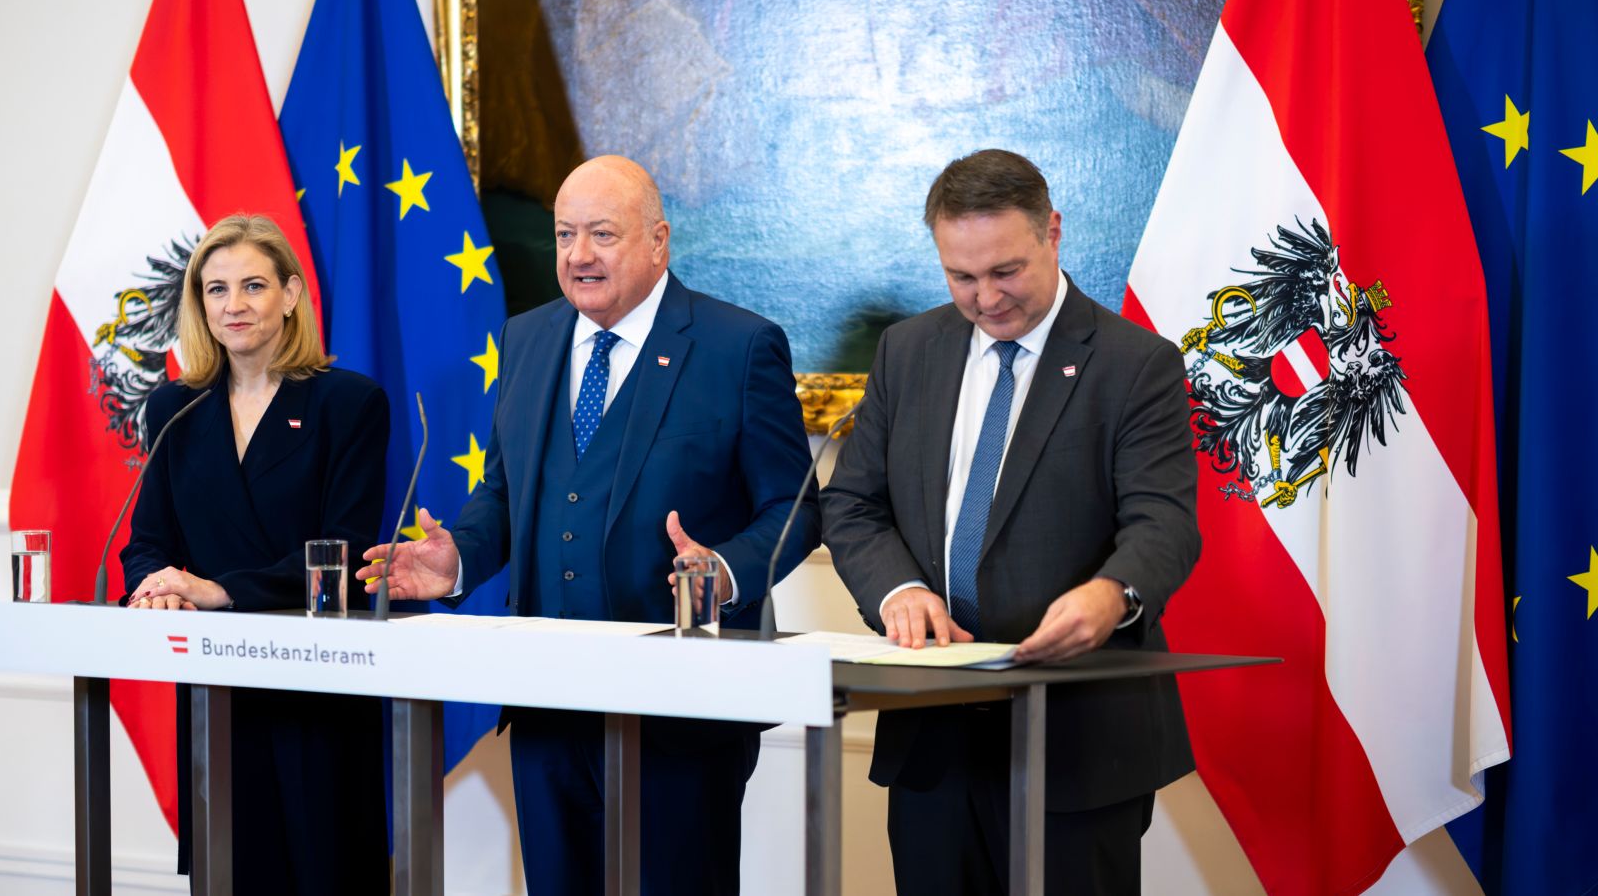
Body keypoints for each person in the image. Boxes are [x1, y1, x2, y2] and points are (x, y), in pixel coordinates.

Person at [353, 155, 820, 895]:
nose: (578, 255)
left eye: (602, 234)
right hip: (548, 710)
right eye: (565, 234)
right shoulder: (527, 339)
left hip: (682, 713)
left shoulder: (740, 346)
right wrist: (461, 559)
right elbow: (508, 495)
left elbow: (798, 509)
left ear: (659, 240)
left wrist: (724, 571)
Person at [820, 150, 1200, 895]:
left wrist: (1112, 594)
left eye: (1006, 271)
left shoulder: (1134, 364)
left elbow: (1165, 521)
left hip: (1079, 738)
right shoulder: (908, 350)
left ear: (1052, 232)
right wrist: (897, 590)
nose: (985, 298)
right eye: (961, 276)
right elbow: (853, 503)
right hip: (934, 737)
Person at [123, 214, 389, 895]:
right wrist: (157, 587)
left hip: (318, 688)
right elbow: (147, 541)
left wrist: (219, 589)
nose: (233, 305)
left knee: (326, 869)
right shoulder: (173, 407)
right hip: (217, 694)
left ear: (291, 294)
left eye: (252, 285)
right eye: (215, 289)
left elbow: (349, 553)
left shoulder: (348, 403)